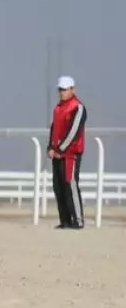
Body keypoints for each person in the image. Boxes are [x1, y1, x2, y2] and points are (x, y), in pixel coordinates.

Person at [48, 75, 88, 230]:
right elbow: (54, 130)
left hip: (71, 154)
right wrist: (50, 147)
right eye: (60, 90)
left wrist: (59, 149)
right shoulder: (58, 109)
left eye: (65, 89)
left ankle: (77, 220)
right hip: (57, 154)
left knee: (70, 185)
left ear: (72, 89)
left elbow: (74, 131)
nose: (62, 92)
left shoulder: (78, 108)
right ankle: (65, 220)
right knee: (58, 186)